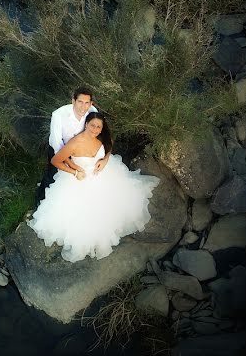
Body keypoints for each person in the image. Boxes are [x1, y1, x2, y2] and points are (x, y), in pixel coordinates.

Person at [28, 112, 160, 262]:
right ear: (86, 125)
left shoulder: (102, 137)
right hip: (81, 178)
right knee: (87, 214)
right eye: (92, 125)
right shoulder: (75, 143)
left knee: (121, 201)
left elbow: (110, 143)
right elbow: (56, 160)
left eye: (99, 127)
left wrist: (104, 159)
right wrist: (75, 171)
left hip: (104, 172)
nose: (95, 129)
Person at [35, 87, 98, 203]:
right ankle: (40, 199)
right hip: (59, 150)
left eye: (86, 103)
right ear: (73, 101)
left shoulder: (93, 112)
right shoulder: (58, 115)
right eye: (80, 102)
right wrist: (70, 163)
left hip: (80, 151)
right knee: (52, 175)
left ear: (90, 103)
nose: (83, 107)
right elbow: (56, 142)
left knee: (77, 178)